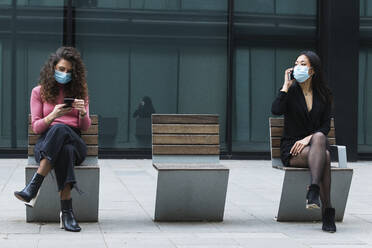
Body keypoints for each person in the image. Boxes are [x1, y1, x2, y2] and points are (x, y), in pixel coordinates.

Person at [14, 47, 91, 232]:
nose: (65, 74)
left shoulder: (81, 92)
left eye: (69, 71)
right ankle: (67, 213)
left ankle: (34, 186)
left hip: (75, 140)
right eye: (62, 69)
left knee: (62, 131)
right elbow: (37, 127)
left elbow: (85, 127)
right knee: (64, 148)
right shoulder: (38, 92)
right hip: (48, 142)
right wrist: (52, 115)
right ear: (53, 68)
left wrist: (82, 112)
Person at [271, 51, 336, 233]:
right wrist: (285, 86)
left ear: (312, 70)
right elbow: (276, 110)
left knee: (321, 142)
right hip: (293, 148)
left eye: (303, 64)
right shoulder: (291, 92)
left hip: (314, 144)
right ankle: (327, 210)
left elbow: (324, 127)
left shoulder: (324, 95)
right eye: (296, 64)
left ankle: (314, 190)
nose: (298, 67)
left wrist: (309, 138)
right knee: (326, 156)